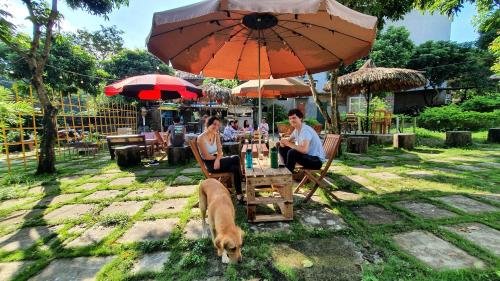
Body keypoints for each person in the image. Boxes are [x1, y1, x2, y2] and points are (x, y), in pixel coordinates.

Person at [197, 116, 244, 203]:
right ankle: (241, 180)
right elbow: (206, 156)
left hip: (217, 162)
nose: (216, 127)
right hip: (210, 165)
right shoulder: (201, 138)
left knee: (235, 168)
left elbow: (220, 151)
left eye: (218, 125)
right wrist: (217, 158)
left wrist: (218, 159)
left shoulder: (216, 135)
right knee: (236, 158)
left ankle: (239, 196)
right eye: (214, 124)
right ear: (208, 124)